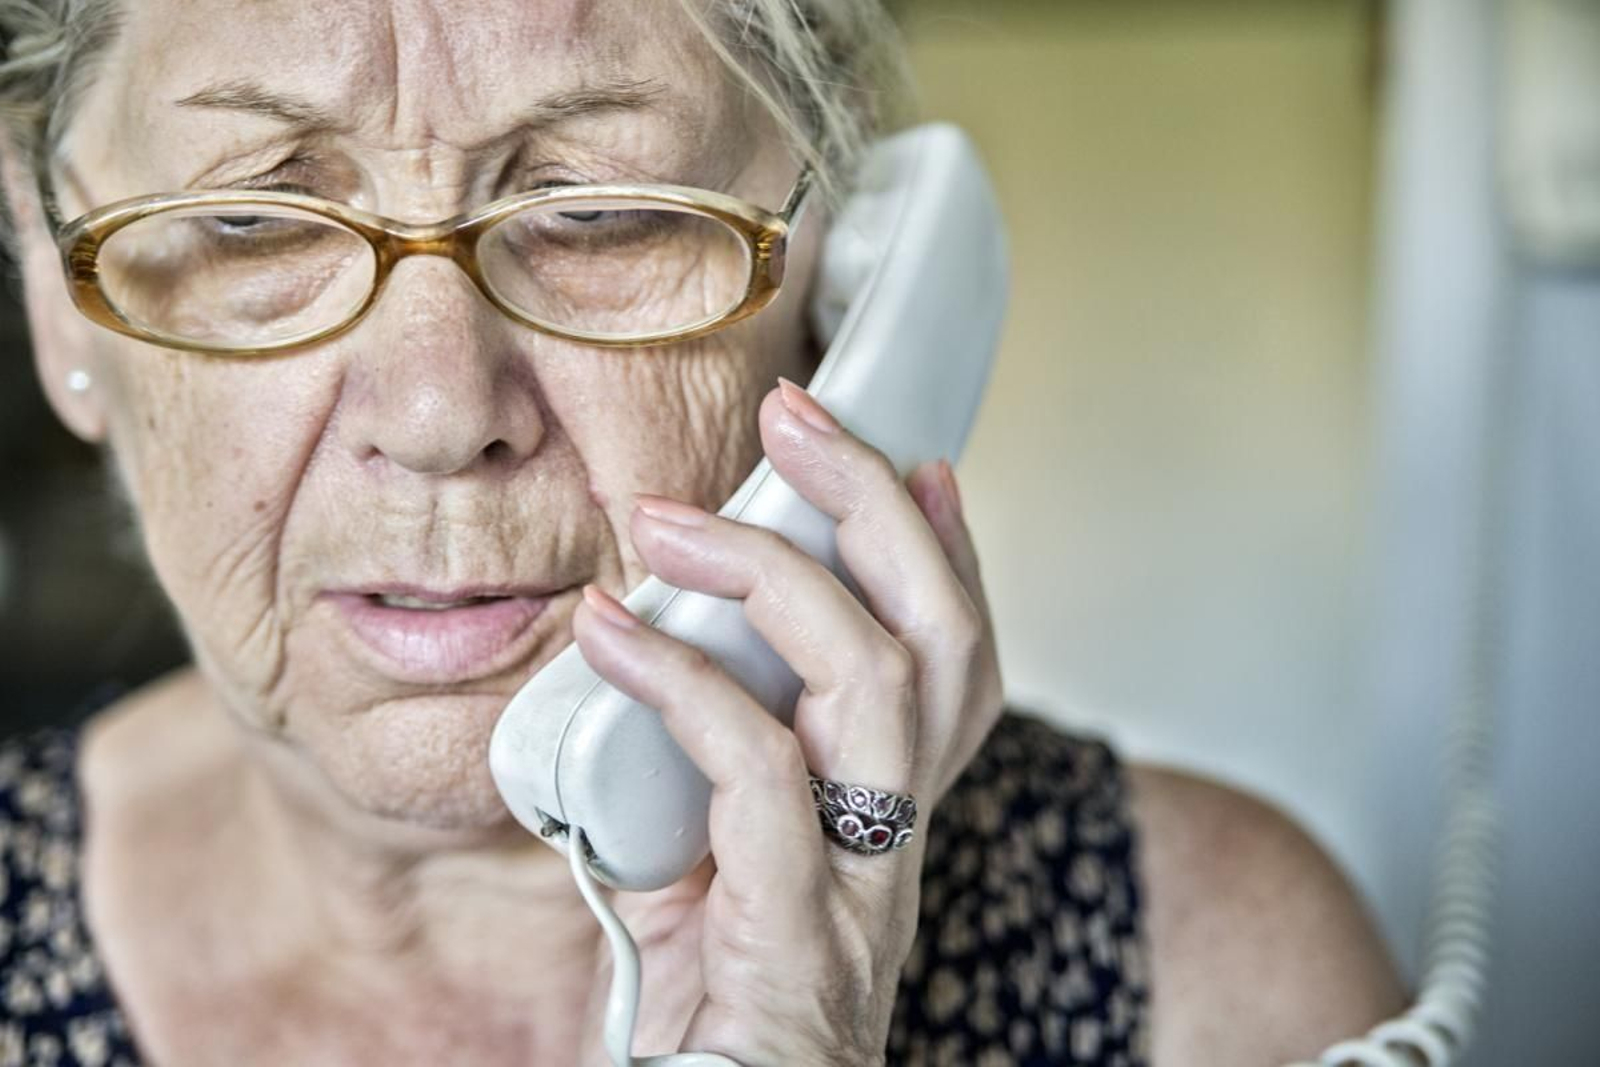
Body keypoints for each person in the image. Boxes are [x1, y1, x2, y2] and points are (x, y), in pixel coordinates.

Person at [0, 2, 1406, 1064]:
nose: (438, 412)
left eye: (600, 210)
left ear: (845, 274)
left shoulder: (1225, 979)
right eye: (253, 220)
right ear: (54, 289)